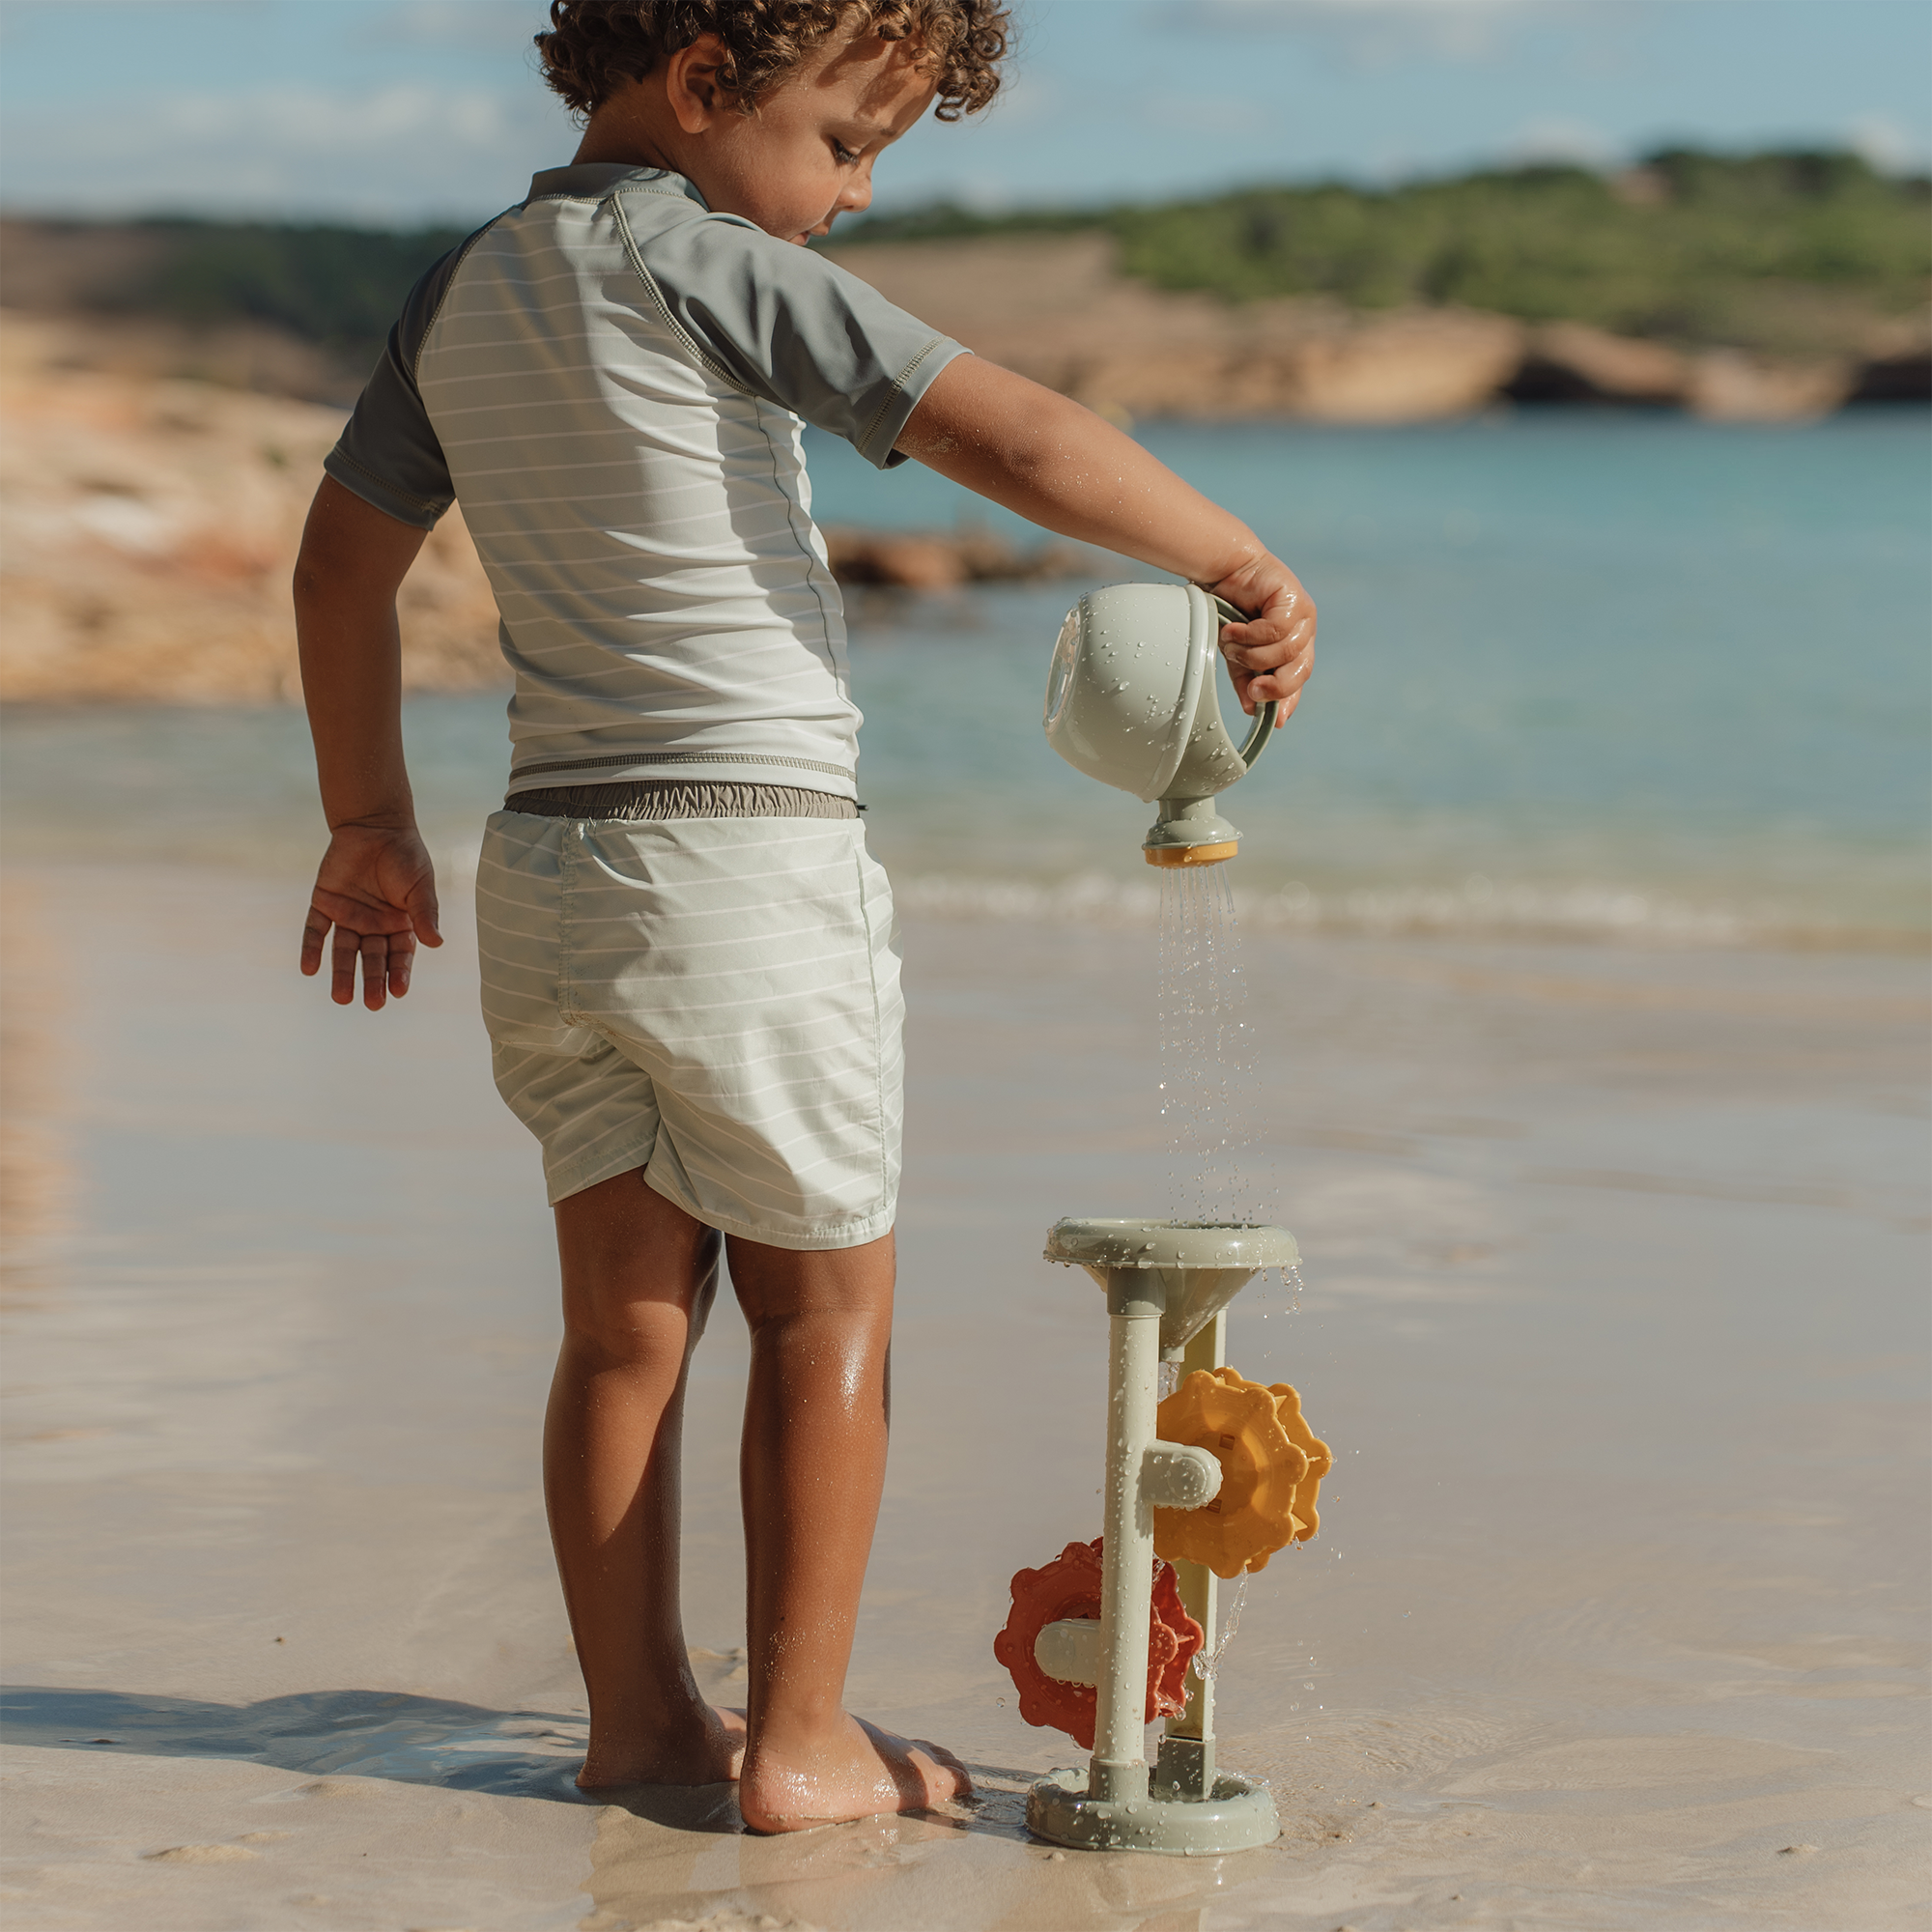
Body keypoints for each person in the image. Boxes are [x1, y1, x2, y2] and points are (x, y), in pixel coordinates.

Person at [291, 0, 1315, 1834]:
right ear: (704, 83)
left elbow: (339, 565)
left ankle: (643, 1725)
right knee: (825, 1311)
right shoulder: (706, 260)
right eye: (846, 143)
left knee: (624, 1331)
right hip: (745, 873)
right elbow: (1008, 430)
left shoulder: (461, 290)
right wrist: (1233, 561)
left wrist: (369, 819)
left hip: (551, 870)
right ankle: (804, 1741)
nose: (853, 197)